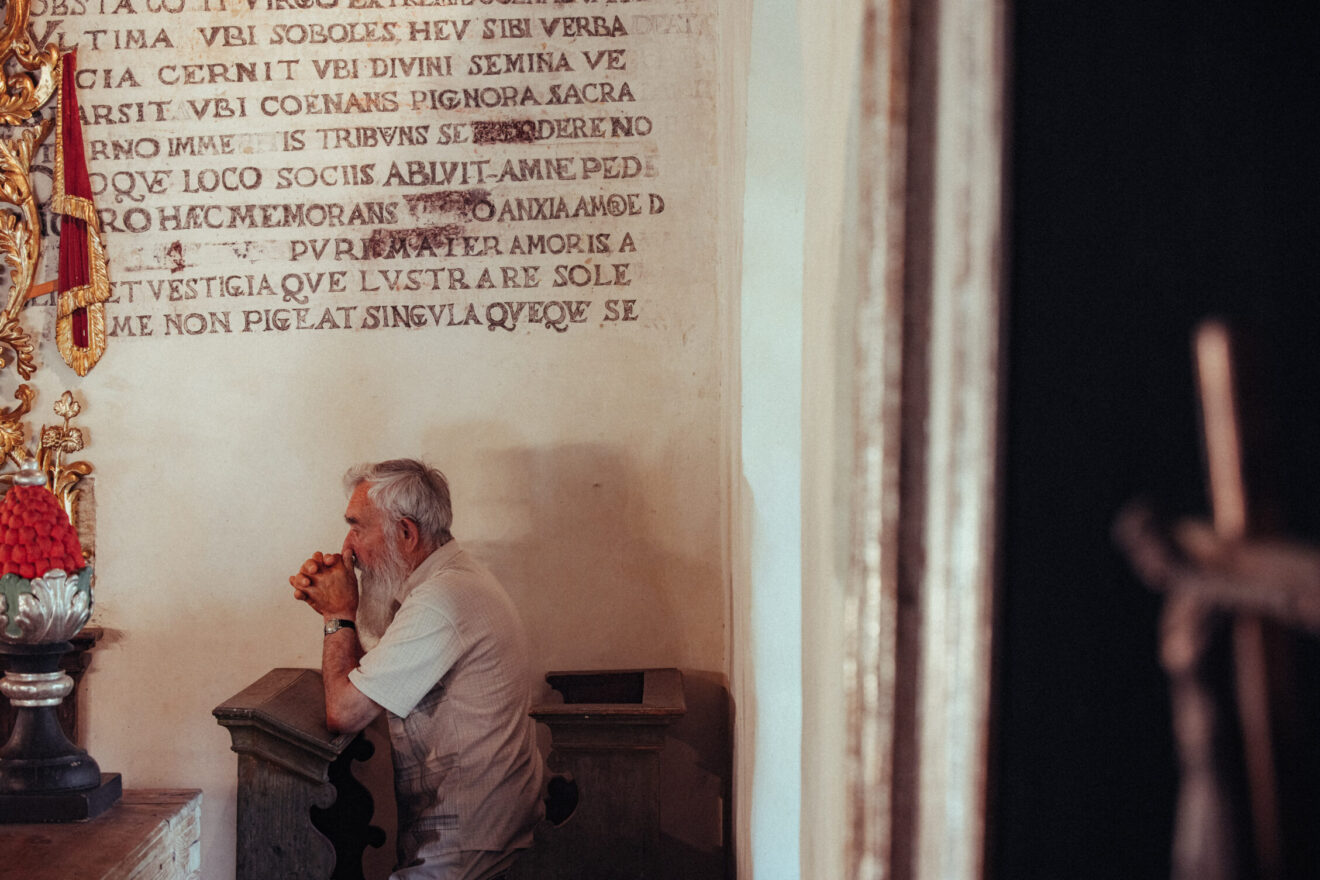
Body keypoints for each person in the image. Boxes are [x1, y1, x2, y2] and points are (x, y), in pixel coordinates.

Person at [290, 459, 544, 880]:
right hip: (472, 828)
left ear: (406, 533)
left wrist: (338, 615)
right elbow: (373, 680)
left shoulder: (440, 600)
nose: (348, 548)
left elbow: (346, 712)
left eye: (357, 528)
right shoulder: (448, 579)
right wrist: (341, 609)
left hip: (469, 837)